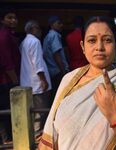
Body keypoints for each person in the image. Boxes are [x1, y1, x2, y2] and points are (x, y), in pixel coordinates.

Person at [39, 16, 116, 150]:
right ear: (83, 47)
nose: (99, 47)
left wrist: (115, 117)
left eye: (107, 40)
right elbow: (52, 131)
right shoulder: (68, 80)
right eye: (92, 40)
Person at [20, 20, 52, 135]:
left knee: (32, 113)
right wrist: (43, 80)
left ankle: (34, 134)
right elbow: (37, 62)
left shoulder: (24, 42)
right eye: (38, 28)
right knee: (41, 112)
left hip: (27, 83)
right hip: (37, 82)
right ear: (32, 29)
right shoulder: (35, 42)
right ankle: (37, 135)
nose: (40, 31)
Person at [0, 8, 20, 142]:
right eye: (9, 17)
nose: (13, 20)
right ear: (2, 20)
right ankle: (8, 140)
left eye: (14, 17)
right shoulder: (4, 36)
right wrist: (16, 82)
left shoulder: (9, 34)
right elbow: (7, 63)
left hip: (7, 79)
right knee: (7, 112)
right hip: (6, 81)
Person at [43, 16, 69, 105]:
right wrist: (63, 71)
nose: (61, 25)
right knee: (59, 97)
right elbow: (56, 54)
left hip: (51, 71)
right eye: (59, 23)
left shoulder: (48, 36)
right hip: (57, 71)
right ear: (51, 25)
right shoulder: (54, 35)